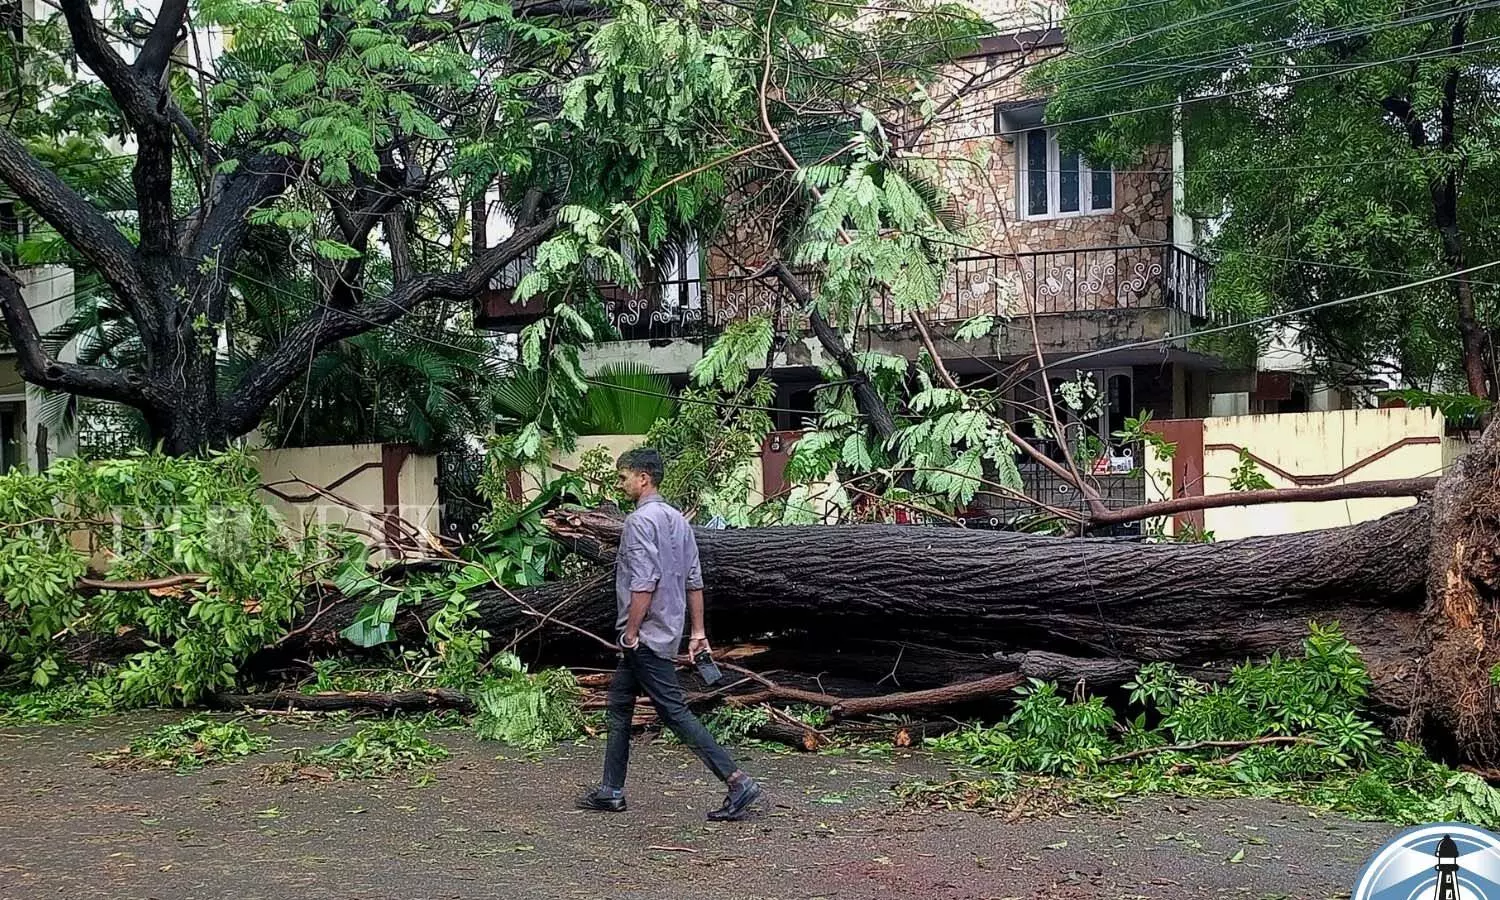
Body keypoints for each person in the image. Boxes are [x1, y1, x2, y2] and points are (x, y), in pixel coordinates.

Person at [575, 448, 763, 822]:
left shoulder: (638, 522)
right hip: (667, 630)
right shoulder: (678, 520)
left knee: (674, 712)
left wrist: (630, 633)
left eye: (624, 477)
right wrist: (697, 633)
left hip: (645, 636)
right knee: (619, 704)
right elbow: (694, 580)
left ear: (643, 478)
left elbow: (644, 582)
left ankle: (737, 780)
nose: (621, 484)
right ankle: (611, 791)